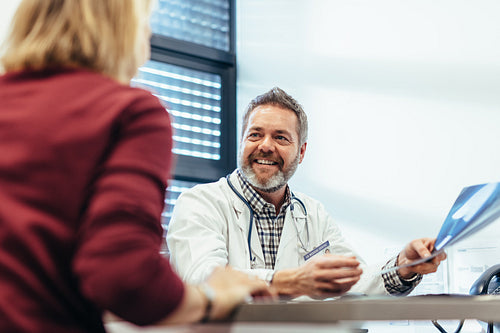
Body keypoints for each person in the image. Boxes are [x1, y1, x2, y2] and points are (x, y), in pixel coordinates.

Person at [0, 1, 272, 332]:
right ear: (125, 29)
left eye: (281, 138)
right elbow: (124, 275)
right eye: (146, 23)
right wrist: (214, 296)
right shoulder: (129, 113)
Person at [167, 87, 447, 297]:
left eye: (280, 137)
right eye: (255, 134)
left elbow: (352, 281)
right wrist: (293, 281)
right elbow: (204, 280)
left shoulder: (313, 213)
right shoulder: (199, 203)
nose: (265, 146)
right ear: (241, 142)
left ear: (301, 152)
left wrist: (404, 265)